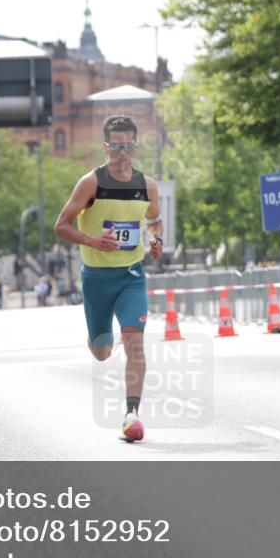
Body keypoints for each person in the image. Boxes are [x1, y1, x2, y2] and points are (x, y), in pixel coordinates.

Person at [53, 115, 164, 443]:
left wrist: (156, 242)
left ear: (136, 146)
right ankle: (96, 337)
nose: (122, 152)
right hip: (97, 278)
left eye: (128, 145)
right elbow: (61, 225)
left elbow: (154, 221)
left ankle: (132, 413)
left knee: (135, 342)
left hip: (131, 275)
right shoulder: (91, 183)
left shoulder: (147, 185)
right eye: (116, 146)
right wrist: (92, 241)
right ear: (106, 147)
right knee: (102, 350)